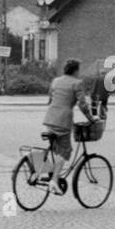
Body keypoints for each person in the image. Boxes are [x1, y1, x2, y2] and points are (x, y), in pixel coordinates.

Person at [39, 58, 93, 194]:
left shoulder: (56, 81)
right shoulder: (77, 83)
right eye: (78, 70)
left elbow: (50, 99)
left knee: (56, 149)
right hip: (63, 122)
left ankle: (49, 172)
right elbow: (82, 104)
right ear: (75, 71)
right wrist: (91, 118)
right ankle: (54, 181)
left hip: (50, 118)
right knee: (65, 151)